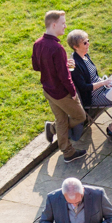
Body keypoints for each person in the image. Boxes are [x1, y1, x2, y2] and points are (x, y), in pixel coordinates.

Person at [32, 10, 87, 163]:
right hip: (61, 93)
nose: (65, 26)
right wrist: (73, 92)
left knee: (61, 120)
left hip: (48, 90)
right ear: (54, 25)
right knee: (80, 116)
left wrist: (61, 63)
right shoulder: (57, 48)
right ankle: (53, 129)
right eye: (63, 23)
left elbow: (36, 66)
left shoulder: (37, 44)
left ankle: (68, 152)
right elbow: (64, 76)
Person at [66, 29, 112, 142]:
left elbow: (94, 77)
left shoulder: (85, 56)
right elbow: (84, 87)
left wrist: (106, 83)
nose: (88, 44)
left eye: (88, 41)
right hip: (93, 97)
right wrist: (102, 83)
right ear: (75, 46)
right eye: (85, 43)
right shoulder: (75, 64)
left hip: (103, 89)